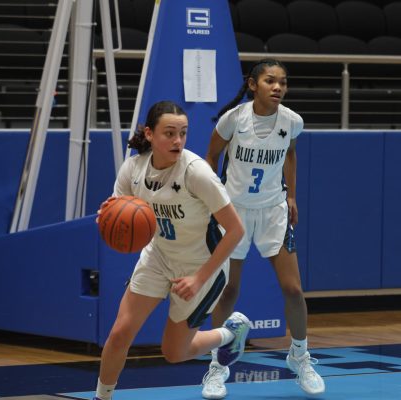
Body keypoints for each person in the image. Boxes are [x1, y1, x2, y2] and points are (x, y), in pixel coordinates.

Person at [93, 100, 249, 400]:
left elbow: (236, 230)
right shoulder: (134, 168)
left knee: (174, 352)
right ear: (150, 134)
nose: (178, 140)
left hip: (201, 265)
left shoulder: (197, 173)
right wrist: (107, 216)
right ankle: (102, 397)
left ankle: (230, 333)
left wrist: (199, 278)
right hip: (158, 257)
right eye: (169, 133)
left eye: (183, 133)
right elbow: (117, 213)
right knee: (120, 332)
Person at [201, 59, 325, 399]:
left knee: (293, 289)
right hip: (234, 213)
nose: (278, 87)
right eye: (271, 81)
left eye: (283, 82)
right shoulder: (234, 119)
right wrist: (215, 199)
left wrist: (293, 196)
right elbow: (210, 157)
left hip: (273, 210)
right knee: (228, 290)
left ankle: (299, 356)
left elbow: (290, 155)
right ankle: (217, 366)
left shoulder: (292, 121)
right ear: (253, 84)